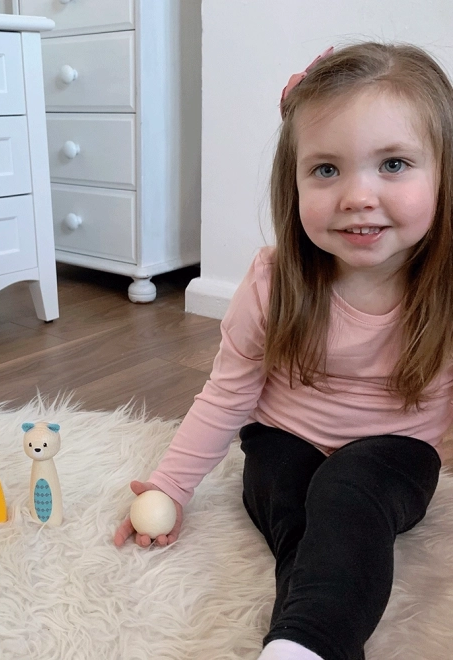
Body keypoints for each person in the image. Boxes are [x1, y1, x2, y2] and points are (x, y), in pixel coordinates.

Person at [114, 42, 453, 660]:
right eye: (326, 170)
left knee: (349, 491)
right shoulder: (274, 281)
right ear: (291, 182)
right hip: (282, 441)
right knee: (300, 519)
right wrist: (170, 486)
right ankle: (304, 644)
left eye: (394, 164)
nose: (357, 196)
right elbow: (226, 393)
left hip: (396, 457)